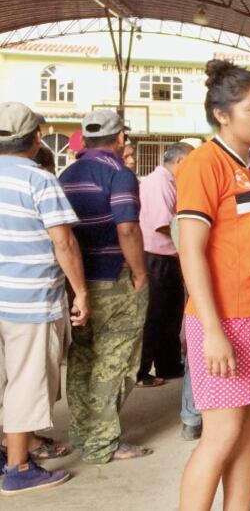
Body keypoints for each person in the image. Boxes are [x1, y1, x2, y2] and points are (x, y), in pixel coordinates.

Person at [176, 60, 250, 511]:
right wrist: (214, 329)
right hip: (223, 318)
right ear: (223, 114)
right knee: (221, 433)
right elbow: (191, 251)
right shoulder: (204, 165)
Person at [0, 103, 88, 495]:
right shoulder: (39, 181)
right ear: (36, 139)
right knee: (25, 381)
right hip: (30, 300)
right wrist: (81, 292)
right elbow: (64, 242)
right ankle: (18, 468)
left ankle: (8, 452)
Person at [59, 109, 151, 464]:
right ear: (119, 140)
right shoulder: (119, 173)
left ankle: (83, 433)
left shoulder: (67, 175)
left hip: (79, 283)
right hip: (114, 278)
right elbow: (127, 227)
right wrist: (140, 273)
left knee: (83, 357)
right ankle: (103, 443)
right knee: (116, 361)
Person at [136, 142, 194, 387]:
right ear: (180, 161)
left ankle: (168, 364)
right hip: (156, 257)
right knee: (154, 315)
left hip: (168, 257)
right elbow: (164, 224)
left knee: (170, 315)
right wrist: (188, 246)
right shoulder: (158, 182)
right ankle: (141, 371)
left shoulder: (171, 183)